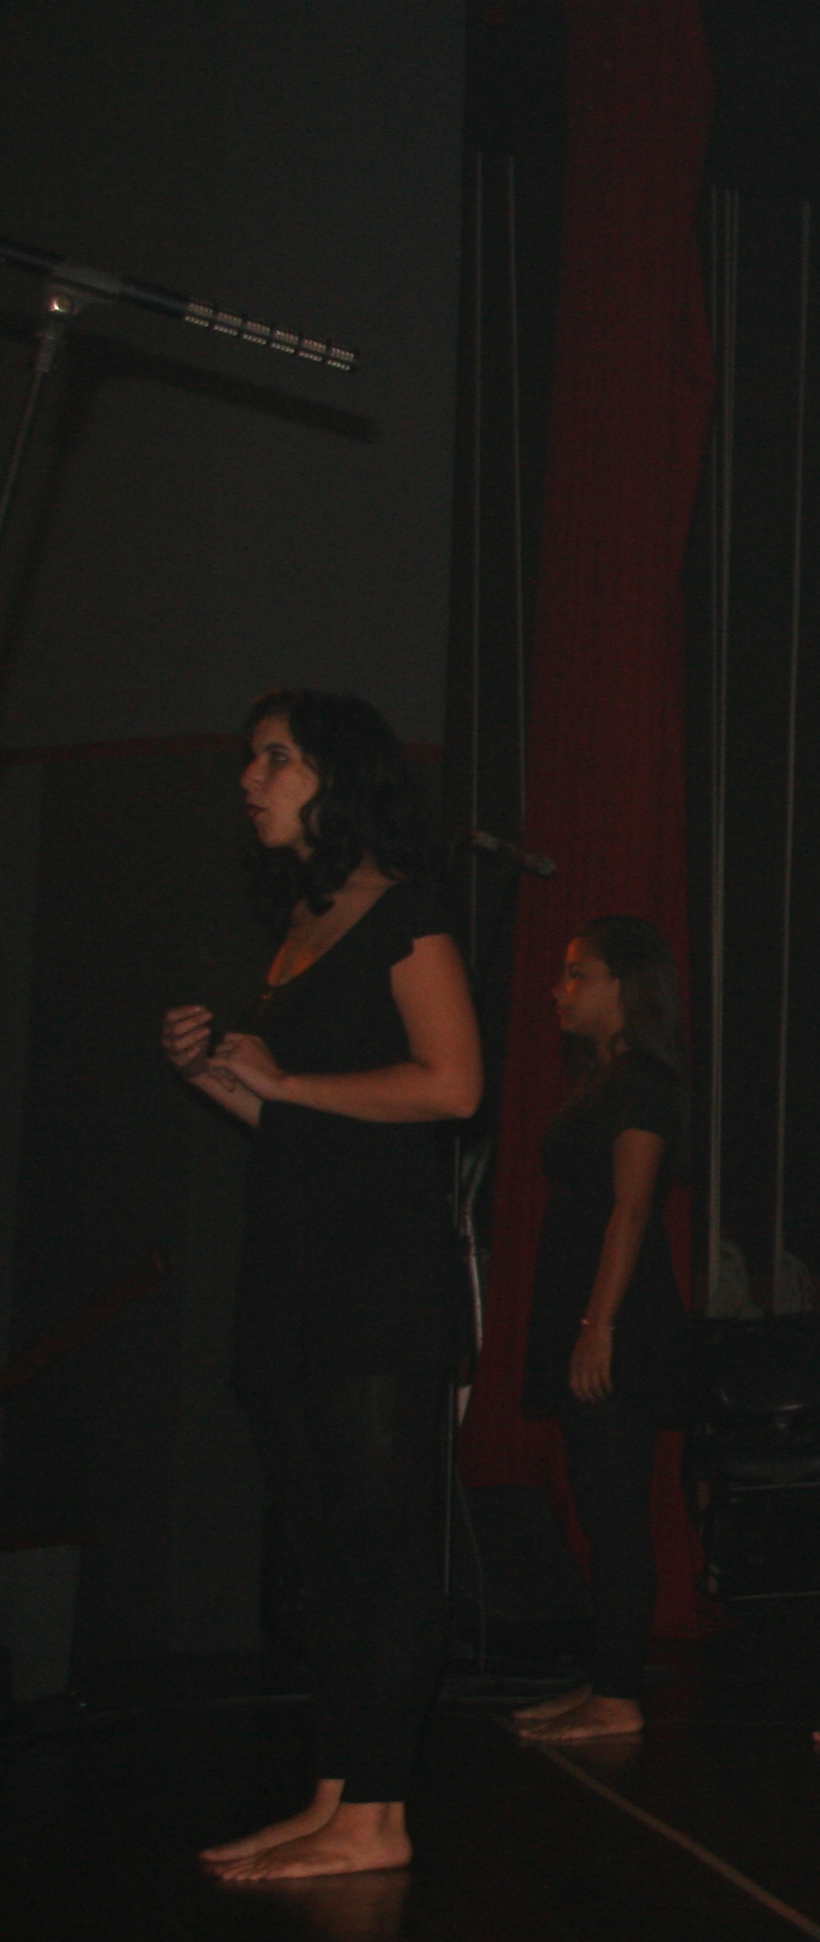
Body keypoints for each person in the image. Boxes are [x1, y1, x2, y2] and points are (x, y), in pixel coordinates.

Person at [167, 690, 482, 1882]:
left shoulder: (407, 912)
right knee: (324, 1554)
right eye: (250, 759)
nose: (250, 779)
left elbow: (452, 1086)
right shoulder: (299, 923)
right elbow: (295, 1122)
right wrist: (216, 1076)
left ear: (336, 779)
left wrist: (287, 1083)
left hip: (378, 1277)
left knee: (381, 1552)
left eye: (276, 759)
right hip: (296, 1267)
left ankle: (381, 1816)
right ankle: (339, 1793)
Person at [512, 915, 693, 1747]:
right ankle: (603, 1676)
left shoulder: (645, 1082)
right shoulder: (603, 1079)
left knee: (616, 1508)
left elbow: (632, 1207)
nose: (561, 989)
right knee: (595, 1502)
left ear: (624, 987)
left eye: (578, 974)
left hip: (620, 1321)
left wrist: (599, 1324)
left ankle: (618, 1692)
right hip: (589, 1309)